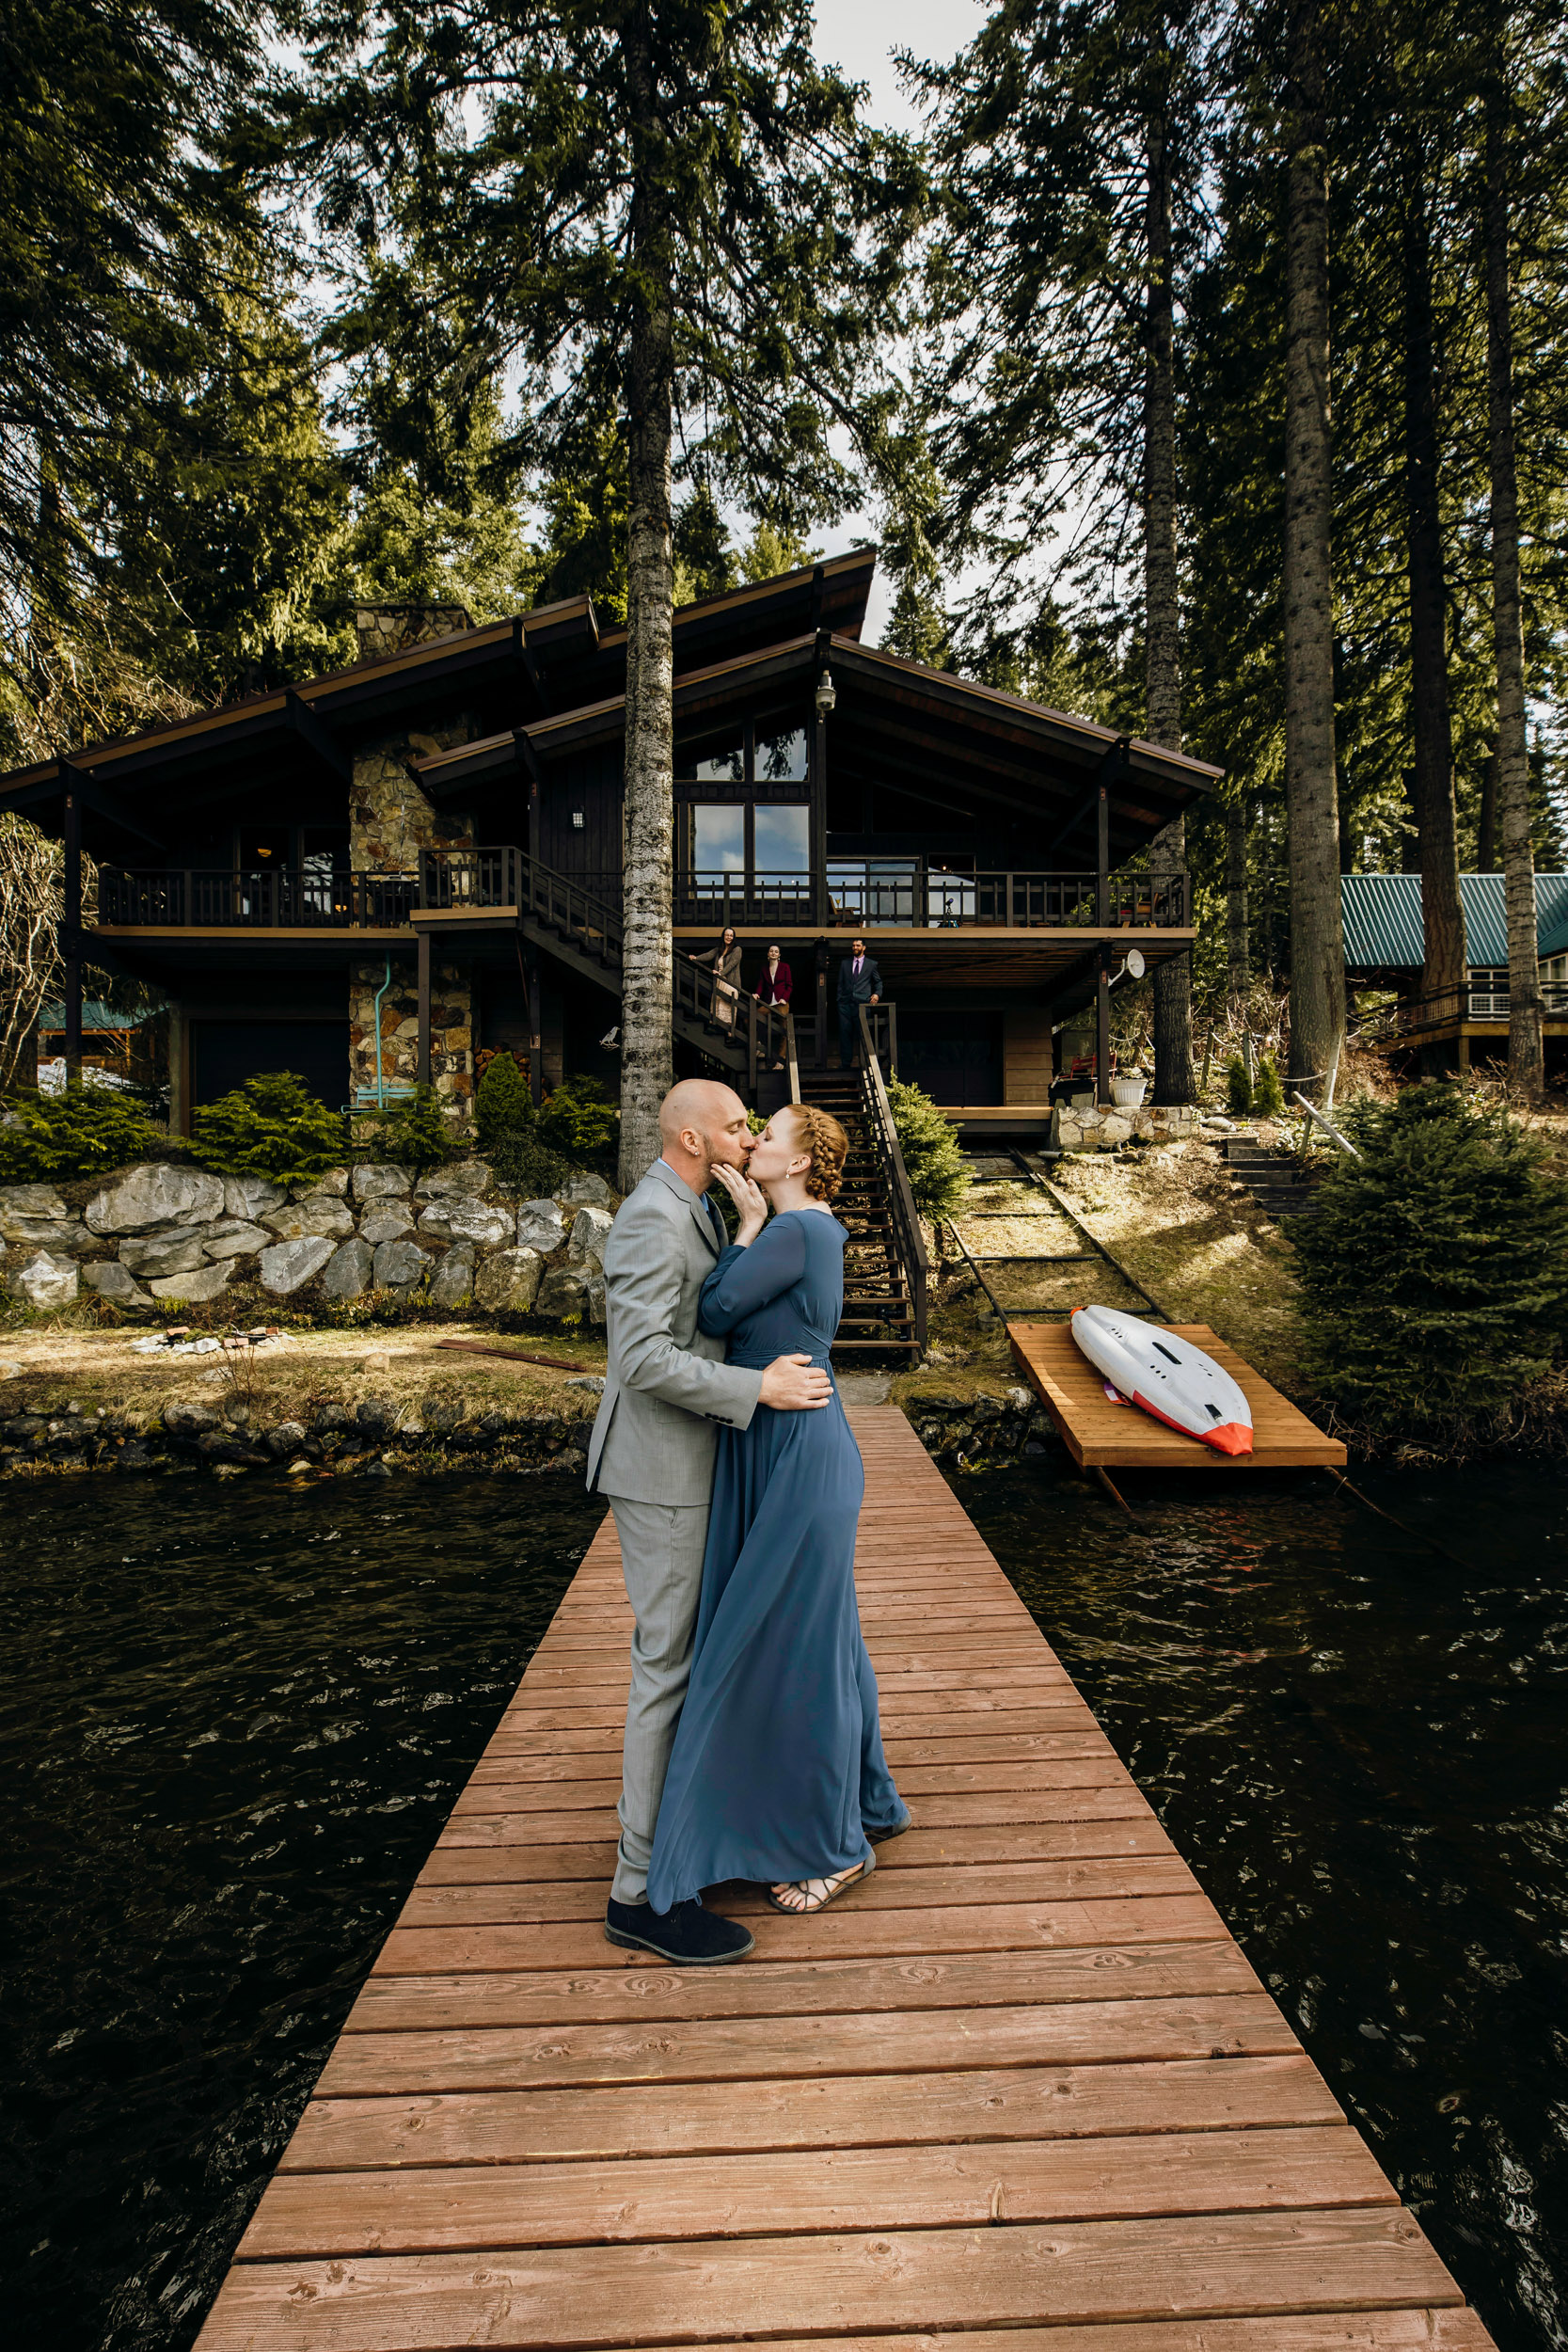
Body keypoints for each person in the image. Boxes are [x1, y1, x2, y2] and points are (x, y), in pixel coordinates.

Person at [587, 1078, 833, 1966]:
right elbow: (644, 1356)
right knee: (668, 1666)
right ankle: (640, 1894)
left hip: (701, 1461)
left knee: (690, 1659)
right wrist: (756, 1387)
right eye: (734, 1126)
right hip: (661, 1471)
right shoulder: (651, 1217)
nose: (745, 1136)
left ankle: (692, 1840)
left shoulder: (698, 1202)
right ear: (692, 1140)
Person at [646, 1102, 910, 1919]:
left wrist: (745, 1227)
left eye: (769, 1138)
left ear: (796, 1165)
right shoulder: (809, 1231)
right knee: (819, 1640)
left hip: (794, 1451)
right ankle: (866, 1803)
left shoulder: (796, 1233)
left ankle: (835, 1850)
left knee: (794, 1647)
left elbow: (715, 1312)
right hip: (779, 1443)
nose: (753, 1143)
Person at [836, 936, 881, 1068]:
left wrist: (877, 995)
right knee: (845, 1033)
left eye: (857, 945)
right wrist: (839, 1000)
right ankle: (845, 1063)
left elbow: (878, 982)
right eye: (853, 945)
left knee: (863, 1033)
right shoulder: (845, 963)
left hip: (862, 1004)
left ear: (864, 947)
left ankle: (867, 1063)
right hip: (845, 1004)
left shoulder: (871, 964)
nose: (855, 948)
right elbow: (840, 983)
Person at [689, 926, 742, 1030]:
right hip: (719, 981)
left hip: (730, 982)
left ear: (734, 937)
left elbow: (732, 964)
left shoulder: (737, 949)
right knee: (718, 1004)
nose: (729, 937)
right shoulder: (719, 949)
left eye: (731, 935)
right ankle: (717, 1028)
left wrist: (721, 973)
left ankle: (729, 1031)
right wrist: (696, 958)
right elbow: (708, 955)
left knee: (727, 1006)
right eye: (727, 935)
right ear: (723, 936)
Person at [755, 944, 792, 1069]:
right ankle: (759, 1045)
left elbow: (789, 985)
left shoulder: (785, 967)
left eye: (776, 952)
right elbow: (761, 983)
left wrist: (784, 999)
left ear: (779, 955)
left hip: (781, 1003)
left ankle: (781, 1061)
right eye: (771, 951)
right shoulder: (764, 968)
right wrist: (757, 994)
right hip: (768, 1004)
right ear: (768, 954)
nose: (773, 953)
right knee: (750, 1017)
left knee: (784, 1029)